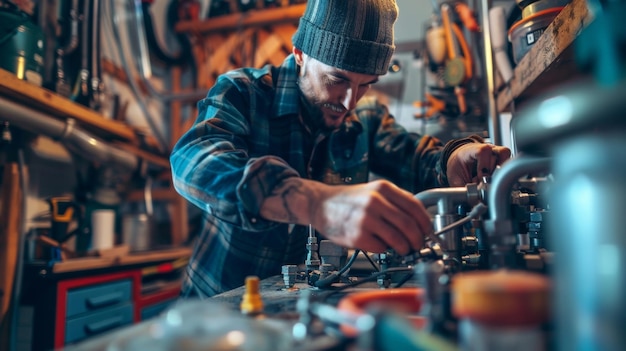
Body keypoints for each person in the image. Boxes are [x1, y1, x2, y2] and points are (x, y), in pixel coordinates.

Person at [170, 0, 511, 298]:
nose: (350, 101)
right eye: (338, 80)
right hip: (216, 309)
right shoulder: (243, 93)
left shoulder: (366, 117)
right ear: (300, 54)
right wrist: (319, 204)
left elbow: (419, 158)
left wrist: (457, 156)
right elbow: (193, 160)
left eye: (366, 85)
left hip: (294, 311)